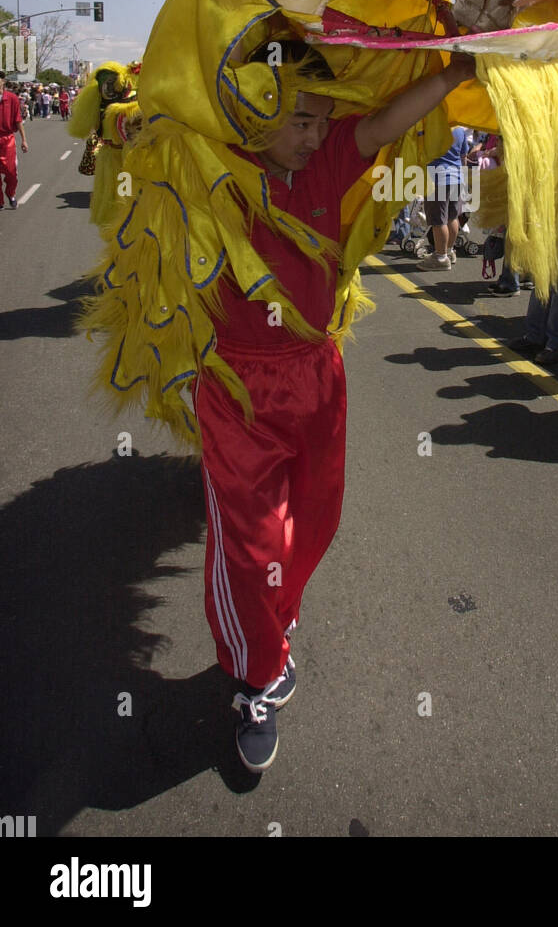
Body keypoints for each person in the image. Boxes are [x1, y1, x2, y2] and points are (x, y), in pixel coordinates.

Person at [194, 44, 476, 772]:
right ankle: (254, 677)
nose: (315, 135)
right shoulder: (215, 168)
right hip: (238, 388)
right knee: (251, 548)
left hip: (319, 372)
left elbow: (381, 128)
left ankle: (274, 625)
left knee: (315, 522)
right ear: (255, 112)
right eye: (299, 119)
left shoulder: (325, 165)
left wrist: (453, 73)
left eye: (322, 120)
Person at [423, 125, 471, 270]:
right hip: (456, 177)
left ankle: (440, 257)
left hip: (438, 177)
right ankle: (449, 252)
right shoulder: (460, 130)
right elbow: (464, 158)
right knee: (452, 217)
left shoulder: (433, 127)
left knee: (438, 220)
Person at [0, 71, 28, 208]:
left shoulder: (11, 98)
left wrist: (24, 140)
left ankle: (10, 194)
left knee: (11, 172)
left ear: (3, 81)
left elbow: (18, 120)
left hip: (7, 140)